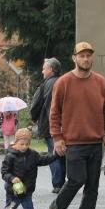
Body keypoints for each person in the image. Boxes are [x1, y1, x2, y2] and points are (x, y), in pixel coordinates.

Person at [47, 42, 105, 209]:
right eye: (82, 56)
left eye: (88, 56)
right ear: (74, 58)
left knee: (92, 186)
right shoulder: (63, 82)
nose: (86, 59)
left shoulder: (100, 82)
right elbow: (54, 113)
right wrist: (57, 138)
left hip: (95, 141)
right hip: (73, 142)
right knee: (77, 180)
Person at [0, 128, 58, 209]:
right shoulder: (10, 156)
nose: (24, 146)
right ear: (16, 143)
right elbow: (4, 172)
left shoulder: (33, 155)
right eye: (22, 144)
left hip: (27, 189)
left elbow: (43, 160)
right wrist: (11, 178)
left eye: (27, 144)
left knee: (29, 208)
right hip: (14, 191)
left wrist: (55, 155)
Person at [29, 58, 64, 192]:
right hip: (66, 125)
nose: (42, 71)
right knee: (63, 153)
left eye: (44, 68)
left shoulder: (46, 84)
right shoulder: (64, 81)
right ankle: (63, 183)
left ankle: (57, 184)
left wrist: (34, 117)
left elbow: (36, 104)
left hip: (50, 125)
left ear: (51, 69)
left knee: (53, 153)